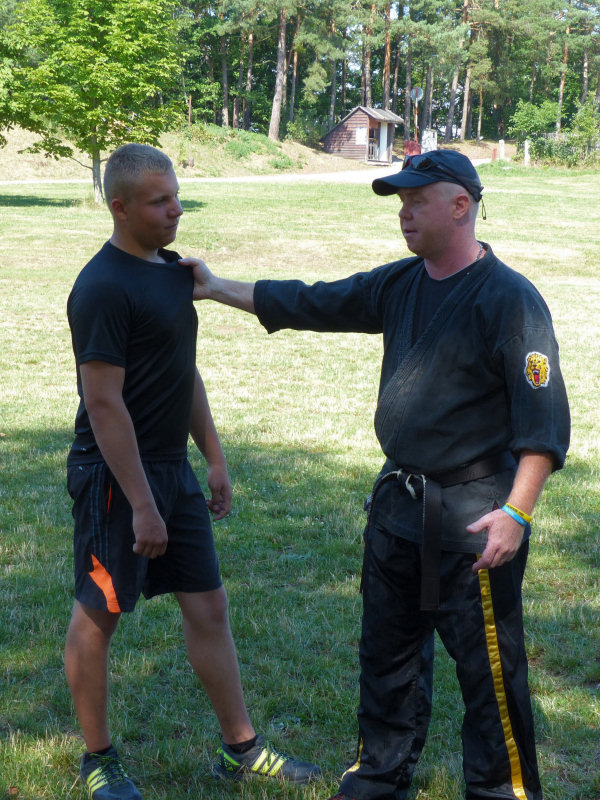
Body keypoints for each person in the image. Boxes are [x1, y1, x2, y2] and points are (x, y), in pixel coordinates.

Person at [185, 149, 570, 800]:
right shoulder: (401, 284)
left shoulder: (510, 300)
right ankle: (378, 777)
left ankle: (502, 790)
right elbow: (314, 301)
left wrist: (516, 512)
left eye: (416, 200)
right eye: (400, 201)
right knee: (387, 655)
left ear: (461, 205)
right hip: (399, 506)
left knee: (488, 672)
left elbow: (544, 426)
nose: (403, 213)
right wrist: (215, 286)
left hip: (477, 515)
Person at [65, 143, 321, 800]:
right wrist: (142, 504)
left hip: (170, 472)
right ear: (120, 207)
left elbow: (183, 372)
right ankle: (98, 759)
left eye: (176, 196)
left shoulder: (176, 272)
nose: (175, 209)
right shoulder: (101, 287)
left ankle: (241, 748)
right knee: (101, 611)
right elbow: (104, 403)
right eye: (160, 202)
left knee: (208, 605)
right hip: (114, 478)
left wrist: (213, 457)